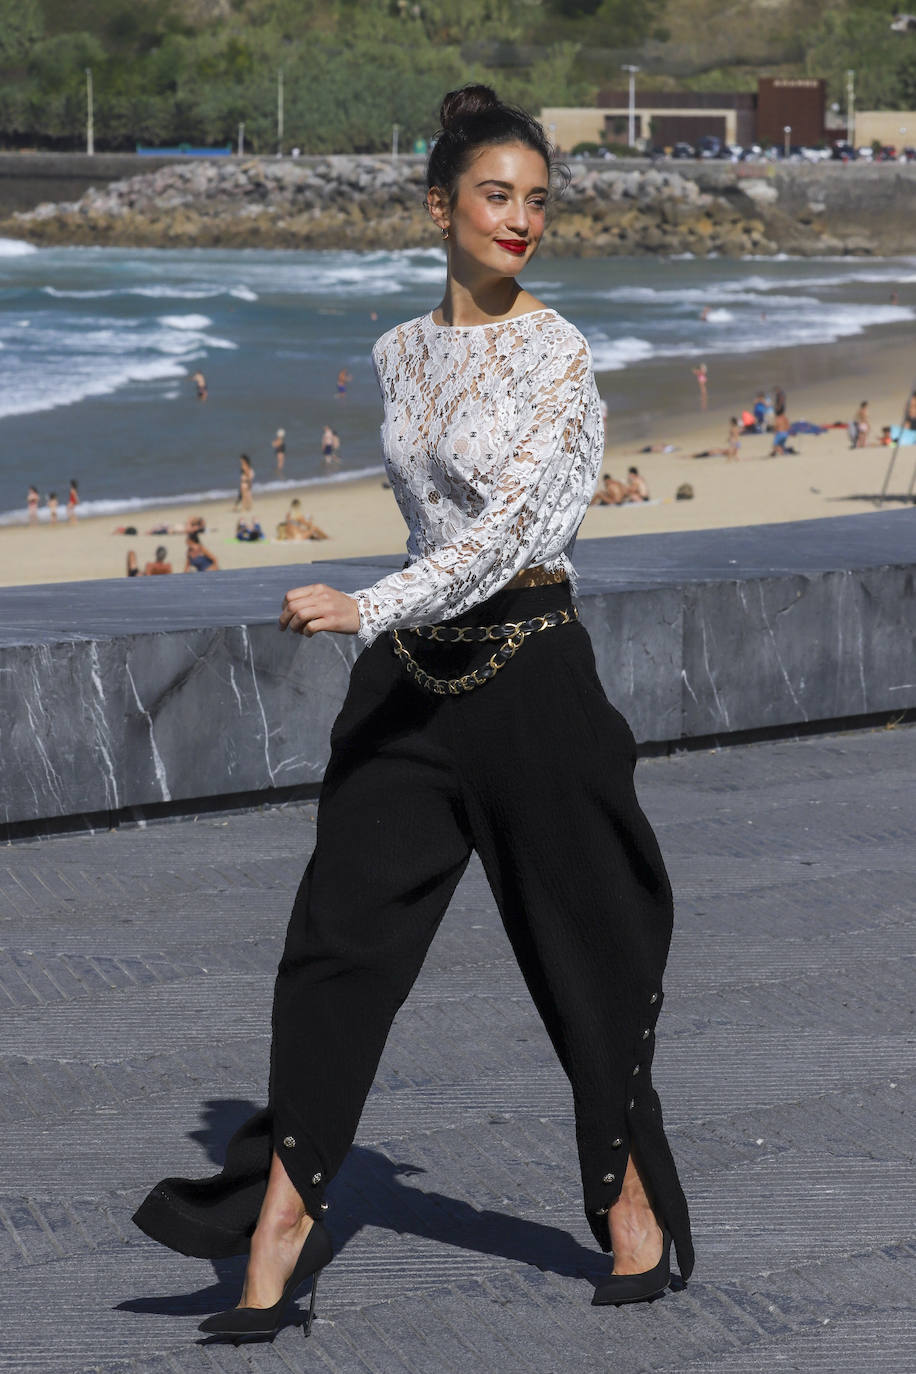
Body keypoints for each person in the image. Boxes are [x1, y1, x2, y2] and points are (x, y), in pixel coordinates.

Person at [134, 83, 694, 1339]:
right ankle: (275, 1235)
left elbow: (519, 530)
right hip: (410, 687)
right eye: (496, 196)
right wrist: (388, 615)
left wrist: (373, 601)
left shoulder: (559, 352)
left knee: (583, 956)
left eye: (538, 201)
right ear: (439, 206)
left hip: (532, 674)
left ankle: (630, 1211)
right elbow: (431, 504)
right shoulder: (397, 349)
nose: (520, 220)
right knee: (336, 948)